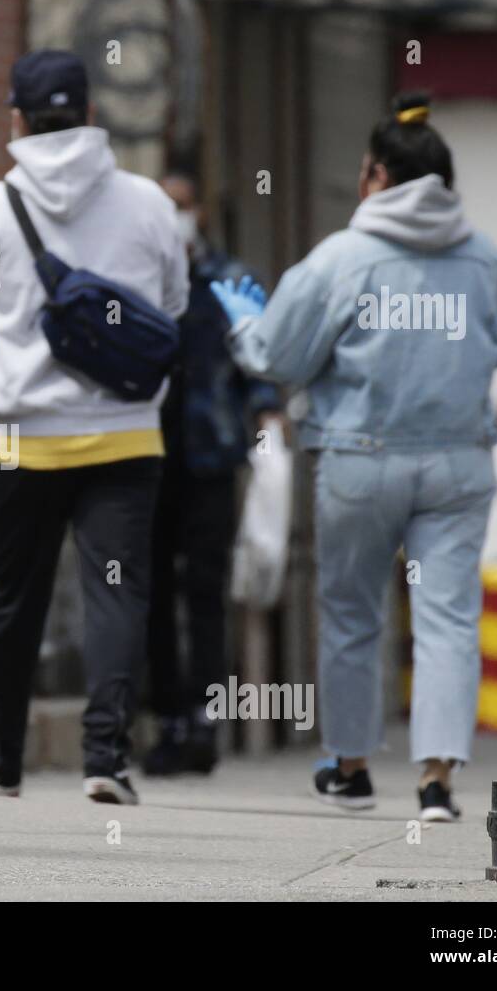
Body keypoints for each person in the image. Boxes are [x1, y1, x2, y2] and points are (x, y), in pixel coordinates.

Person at [213, 93, 497, 822]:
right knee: (449, 618)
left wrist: (245, 326)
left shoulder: (341, 259)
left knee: (351, 613)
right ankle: (436, 784)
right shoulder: (484, 257)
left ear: (377, 177)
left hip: (359, 460)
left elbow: (279, 355)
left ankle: (352, 767)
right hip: (458, 462)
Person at [0, 50, 189, 806]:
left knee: (10, 600)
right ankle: (106, 756)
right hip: (125, 433)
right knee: (117, 595)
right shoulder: (149, 201)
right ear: (91, 114)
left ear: (17, 120)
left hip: (20, 432)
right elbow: (175, 307)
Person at [142, 170, 283, 777]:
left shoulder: (229, 280)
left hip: (211, 457)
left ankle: (203, 718)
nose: (177, 216)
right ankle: (166, 717)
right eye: (166, 205)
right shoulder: (138, 278)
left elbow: (262, 361)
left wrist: (268, 418)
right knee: (148, 592)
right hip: (145, 457)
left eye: (184, 204)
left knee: (205, 590)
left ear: (200, 210)